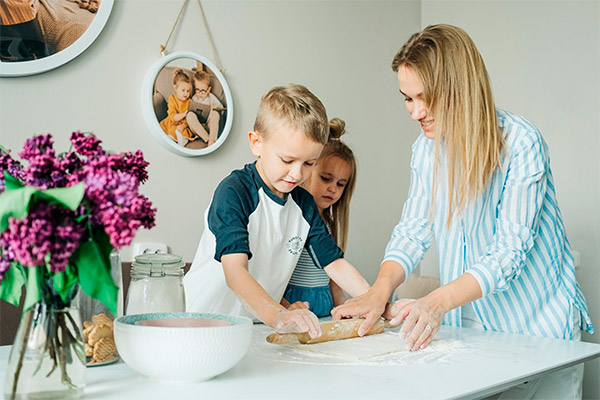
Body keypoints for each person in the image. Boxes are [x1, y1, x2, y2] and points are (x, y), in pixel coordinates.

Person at [332, 24, 593, 398]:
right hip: (473, 328)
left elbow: (508, 253)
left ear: (460, 88)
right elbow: (413, 230)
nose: (415, 111)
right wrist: (379, 290)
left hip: (540, 329)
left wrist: (434, 302)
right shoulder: (425, 152)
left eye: (426, 97)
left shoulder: (521, 143)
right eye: (407, 98)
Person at [184, 84, 370, 338]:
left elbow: (334, 263)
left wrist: (376, 302)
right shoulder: (234, 192)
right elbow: (236, 272)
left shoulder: (303, 204)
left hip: (260, 327)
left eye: (309, 163)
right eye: (287, 160)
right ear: (256, 143)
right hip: (208, 325)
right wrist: (280, 315)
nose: (297, 173)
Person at [281, 117, 357, 317]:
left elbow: (332, 272)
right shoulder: (292, 219)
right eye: (326, 179)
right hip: (294, 303)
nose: (333, 188)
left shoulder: (329, 225)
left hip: (324, 303)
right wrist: (285, 306)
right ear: (307, 171)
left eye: (341, 184)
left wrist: (342, 303)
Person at [186, 71, 224, 147]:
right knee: (189, 115)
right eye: (197, 90)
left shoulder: (211, 97)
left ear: (208, 89)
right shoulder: (194, 98)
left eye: (203, 91)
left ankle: (212, 140)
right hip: (198, 128)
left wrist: (215, 107)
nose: (200, 93)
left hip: (209, 125)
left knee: (215, 113)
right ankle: (207, 138)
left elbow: (222, 109)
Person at [159, 68, 194, 147]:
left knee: (185, 132)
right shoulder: (172, 98)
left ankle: (181, 141)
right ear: (175, 88)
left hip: (184, 125)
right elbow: (173, 117)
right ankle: (170, 140)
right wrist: (184, 114)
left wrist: (183, 126)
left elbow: (190, 120)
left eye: (188, 91)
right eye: (183, 90)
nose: (186, 93)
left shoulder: (190, 101)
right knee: (172, 130)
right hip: (172, 122)